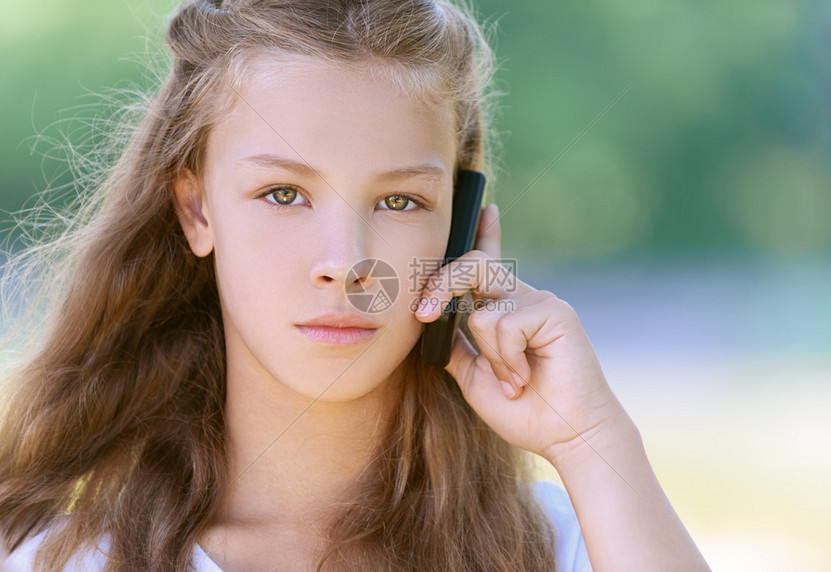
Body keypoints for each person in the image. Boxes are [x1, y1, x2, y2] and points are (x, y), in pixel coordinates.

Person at [0, 0, 711, 570]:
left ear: (459, 229)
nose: (347, 261)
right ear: (196, 209)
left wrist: (592, 440)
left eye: (400, 202)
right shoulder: (60, 559)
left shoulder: (569, 544)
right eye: (283, 193)